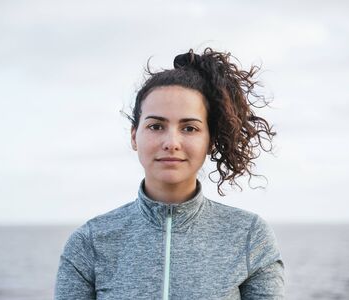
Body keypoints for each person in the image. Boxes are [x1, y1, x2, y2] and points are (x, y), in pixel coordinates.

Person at [54, 48, 285, 299]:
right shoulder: (89, 243)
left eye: (189, 128)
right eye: (156, 126)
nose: (171, 142)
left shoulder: (250, 236)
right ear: (134, 136)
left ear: (209, 141)